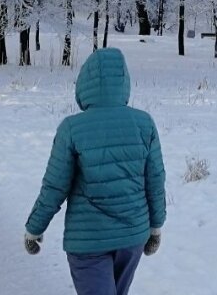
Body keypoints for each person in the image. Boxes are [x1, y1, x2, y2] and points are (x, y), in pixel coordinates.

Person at [24, 47, 166, 295]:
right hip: (132, 236)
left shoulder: (72, 128)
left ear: (84, 84)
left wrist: (35, 227)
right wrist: (155, 227)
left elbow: (55, 186)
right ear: (124, 83)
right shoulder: (144, 123)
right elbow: (155, 180)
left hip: (88, 240)